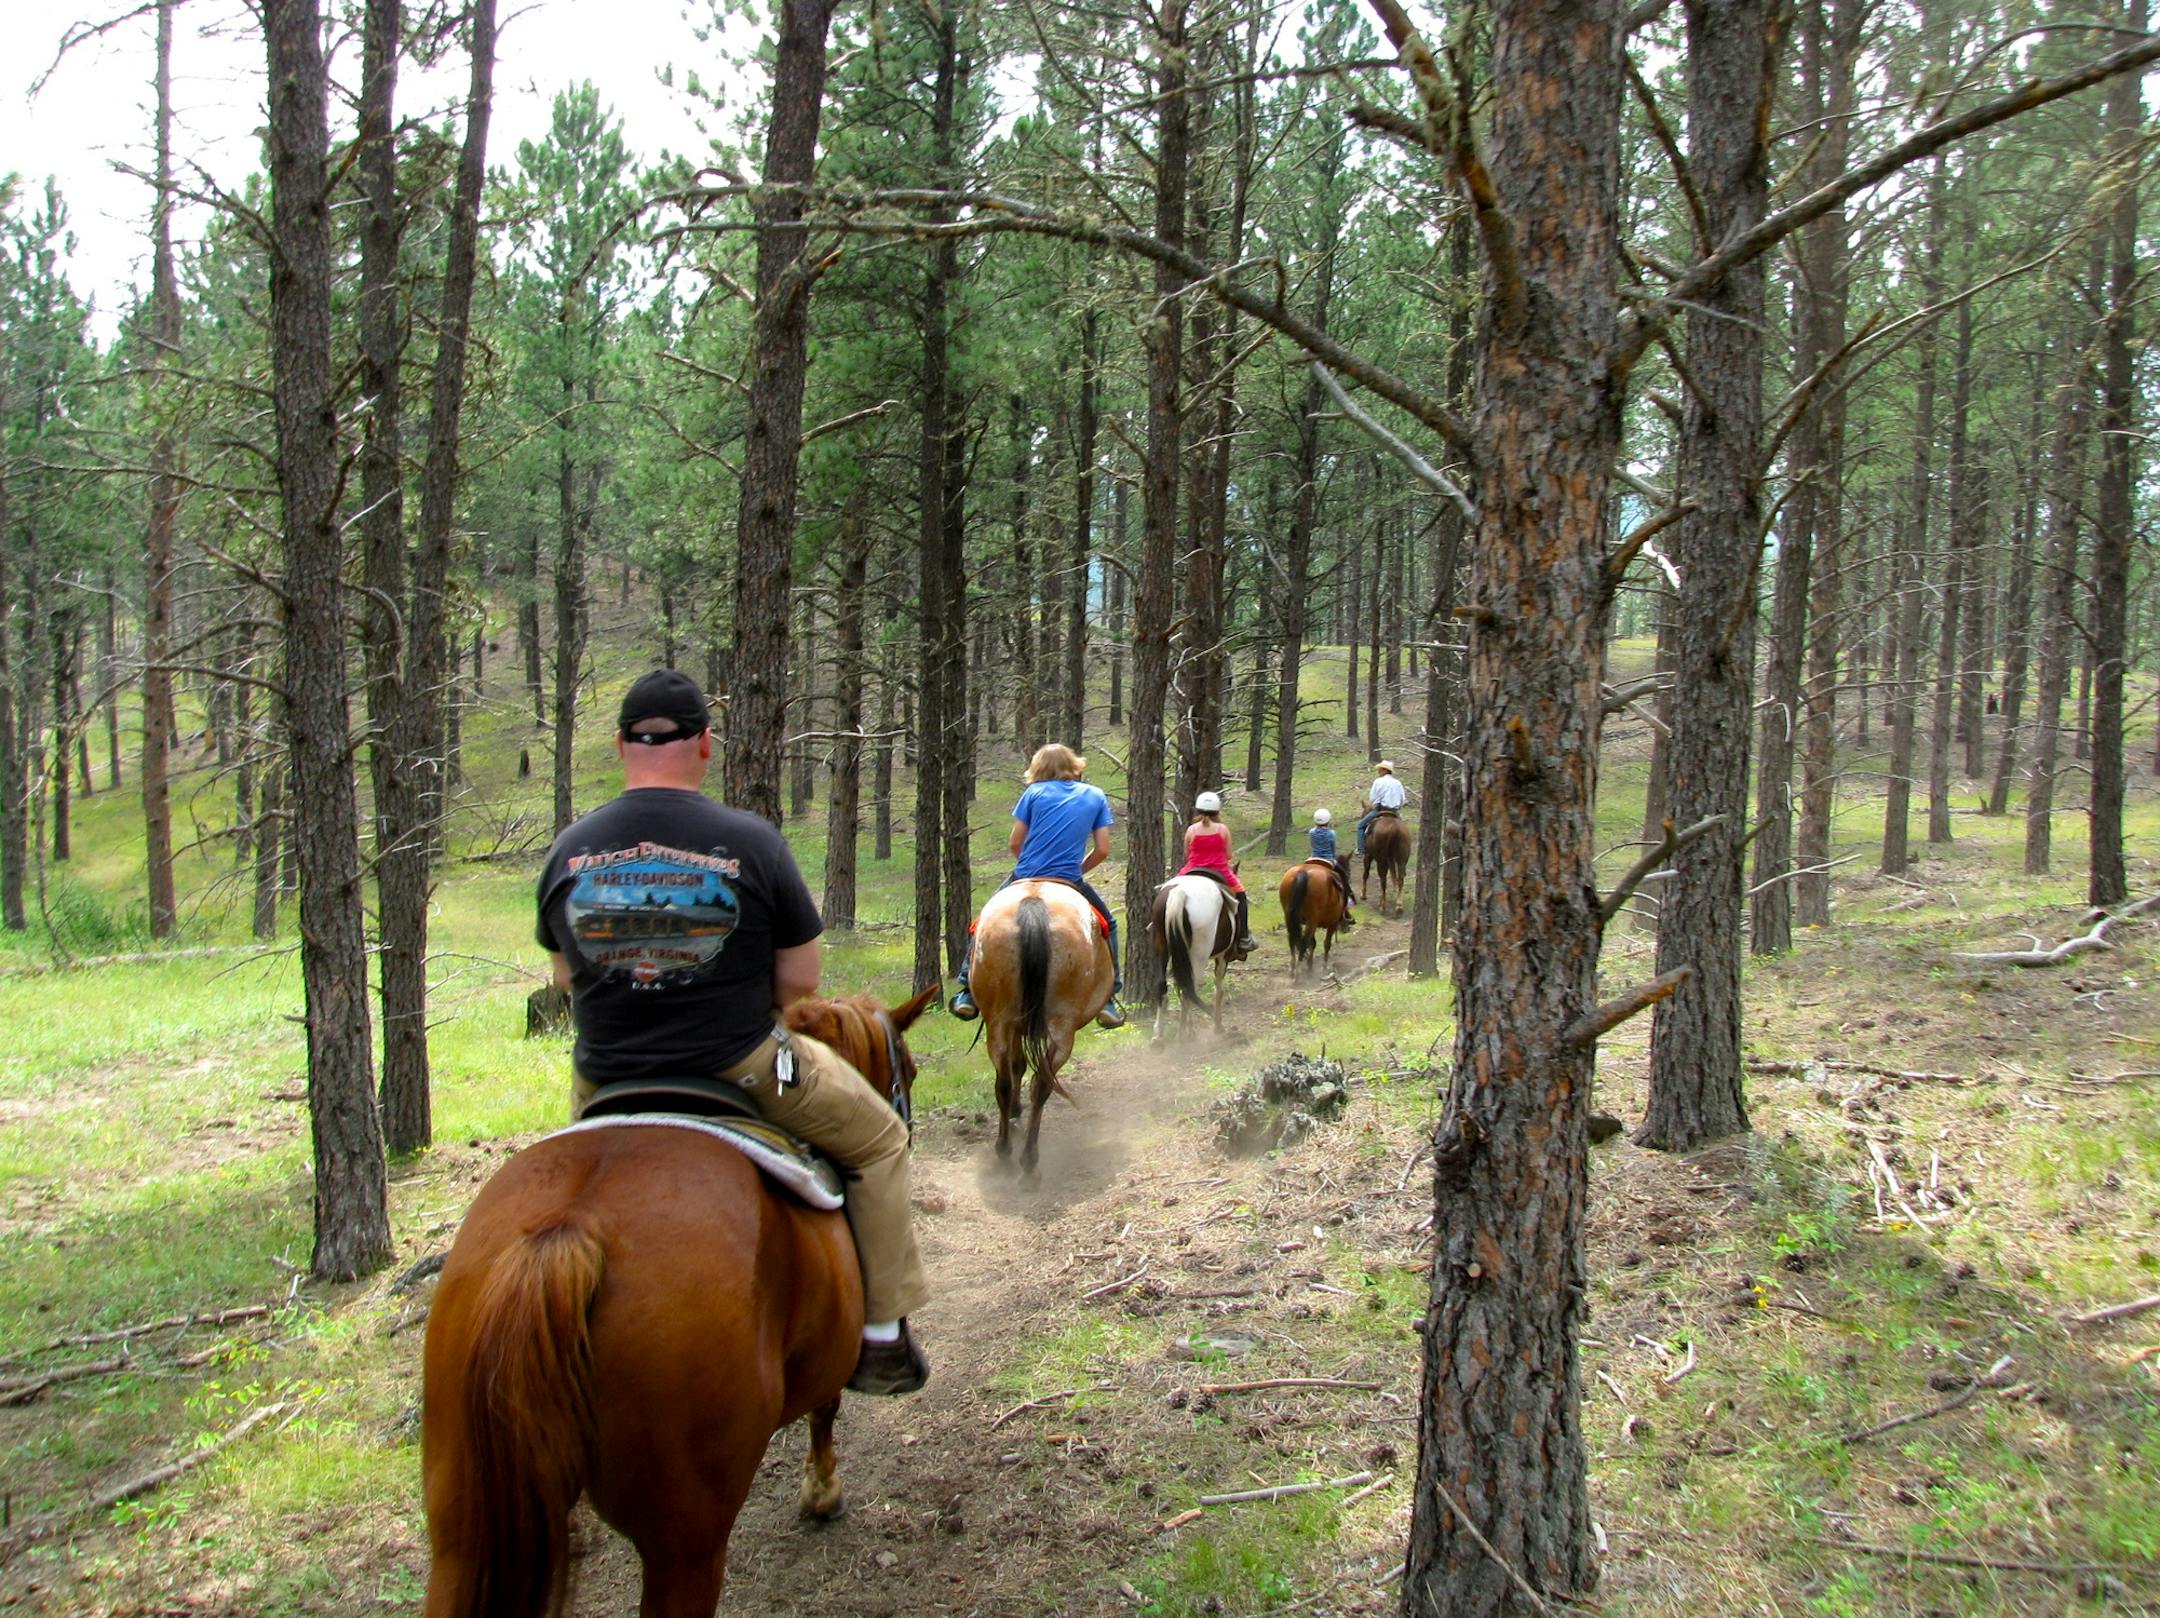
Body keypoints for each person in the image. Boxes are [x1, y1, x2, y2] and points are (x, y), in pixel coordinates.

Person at [535, 669, 929, 1396]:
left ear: (622, 743)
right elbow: (801, 983)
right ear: (706, 745)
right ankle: (879, 1334)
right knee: (880, 1142)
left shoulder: (569, 849)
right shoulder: (749, 841)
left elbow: (564, 977)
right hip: (737, 1062)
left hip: (605, 1075)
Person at [947, 742, 1125, 1029]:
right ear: (1073, 766)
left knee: (982, 924)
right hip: (1068, 879)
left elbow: (1015, 842)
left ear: (1038, 768)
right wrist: (1077, 871)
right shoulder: (1094, 795)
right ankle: (1109, 997)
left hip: (1026, 875)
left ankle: (967, 990)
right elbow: (1103, 849)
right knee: (1110, 925)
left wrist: (1029, 866)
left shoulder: (1033, 793)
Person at [1177, 791, 1260, 955]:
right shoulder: (1223, 829)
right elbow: (1228, 855)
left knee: (1168, 890)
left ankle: (1157, 924)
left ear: (1198, 810)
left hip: (1192, 870)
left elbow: (1187, 854)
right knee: (1241, 894)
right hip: (1219, 871)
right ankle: (1244, 936)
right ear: (1217, 810)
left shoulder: (1191, 830)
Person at [1308, 807, 1355, 930]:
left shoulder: (1311, 832)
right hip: (1328, 860)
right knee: (1343, 877)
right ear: (1328, 821)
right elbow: (1333, 848)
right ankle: (1348, 900)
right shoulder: (1331, 833)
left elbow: (1312, 845)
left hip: (1313, 859)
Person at [1355, 759, 1409, 857]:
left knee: (1360, 825)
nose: (1378, 771)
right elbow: (1403, 800)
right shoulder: (1398, 783)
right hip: (1394, 811)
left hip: (1380, 810)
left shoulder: (1378, 781)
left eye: (1380, 769)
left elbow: (1373, 798)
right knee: (1404, 830)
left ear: (1384, 770)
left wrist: (1375, 804)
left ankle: (1361, 849)